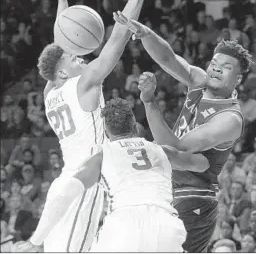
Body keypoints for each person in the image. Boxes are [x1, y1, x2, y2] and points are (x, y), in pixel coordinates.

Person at [14, 0, 149, 252]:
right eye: (75, 58)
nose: (80, 56)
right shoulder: (85, 83)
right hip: (83, 185)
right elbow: (118, 39)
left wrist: (62, 0)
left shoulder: (50, 91)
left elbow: (60, 46)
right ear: (63, 71)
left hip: (64, 182)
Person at [113, 12, 253, 252]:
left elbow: (176, 149)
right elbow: (169, 58)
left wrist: (149, 102)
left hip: (194, 197)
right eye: (215, 64)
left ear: (238, 79)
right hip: (170, 190)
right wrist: (145, 33)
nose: (217, 70)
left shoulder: (230, 118)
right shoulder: (200, 82)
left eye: (226, 67)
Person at [17, 98, 210, 252]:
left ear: (106, 130)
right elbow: (202, 164)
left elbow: (63, 195)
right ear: (134, 124)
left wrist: (36, 240)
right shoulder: (161, 150)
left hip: (124, 225)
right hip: (165, 225)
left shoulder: (101, 156)